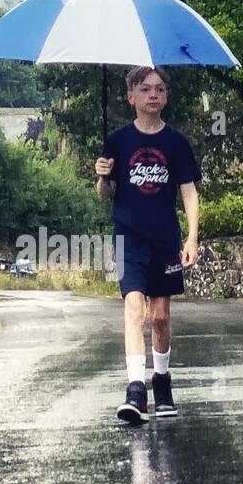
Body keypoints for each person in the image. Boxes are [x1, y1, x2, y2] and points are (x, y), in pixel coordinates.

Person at [94, 65, 201, 424]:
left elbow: (188, 190)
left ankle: (162, 380)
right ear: (130, 97)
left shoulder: (176, 142)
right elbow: (106, 194)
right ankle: (136, 391)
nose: (153, 95)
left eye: (159, 89)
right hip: (127, 237)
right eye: (145, 89)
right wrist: (102, 177)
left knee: (160, 316)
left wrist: (192, 236)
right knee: (133, 307)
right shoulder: (118, 141)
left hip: (165, 238)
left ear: (166, 96)